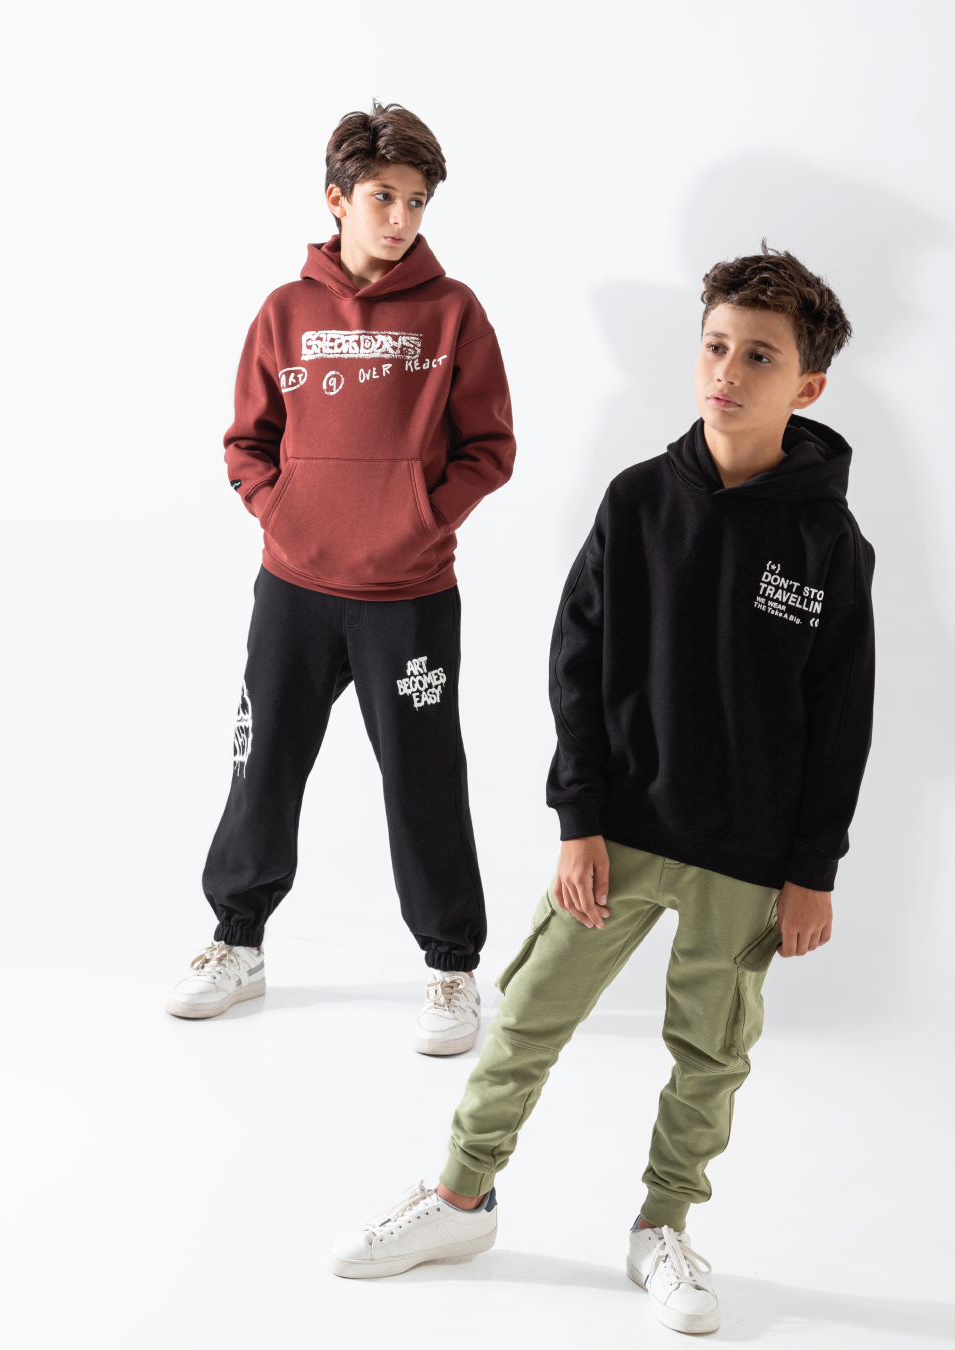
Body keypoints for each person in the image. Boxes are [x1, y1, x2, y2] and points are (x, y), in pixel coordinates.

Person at [326, 246, 875, 1334]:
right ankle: (461, 1201)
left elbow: (842, 716)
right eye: (715, 346)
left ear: (807, 386)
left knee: (710, 1054)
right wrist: (578, 820)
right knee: (528, 1017)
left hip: (748, 857)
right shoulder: (638, 501)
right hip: (617, 833)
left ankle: (662, 1227)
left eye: (759, 357)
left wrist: (813, 871)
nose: (726, 371)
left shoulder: (830, 543)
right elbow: (574, 665)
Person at [165, 102, 515, 1057]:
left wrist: (419, 520)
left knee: (424, 777)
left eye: (417, 200)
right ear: (338, 198)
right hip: (295, 589)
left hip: (410, 597)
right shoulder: (286, 311)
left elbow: (489, 447)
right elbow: (247, 441)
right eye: (383, 197)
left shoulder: (454, 312)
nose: (401, 217)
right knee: (264, 764)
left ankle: (451, 967)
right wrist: (283, 513)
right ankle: (238, 943)